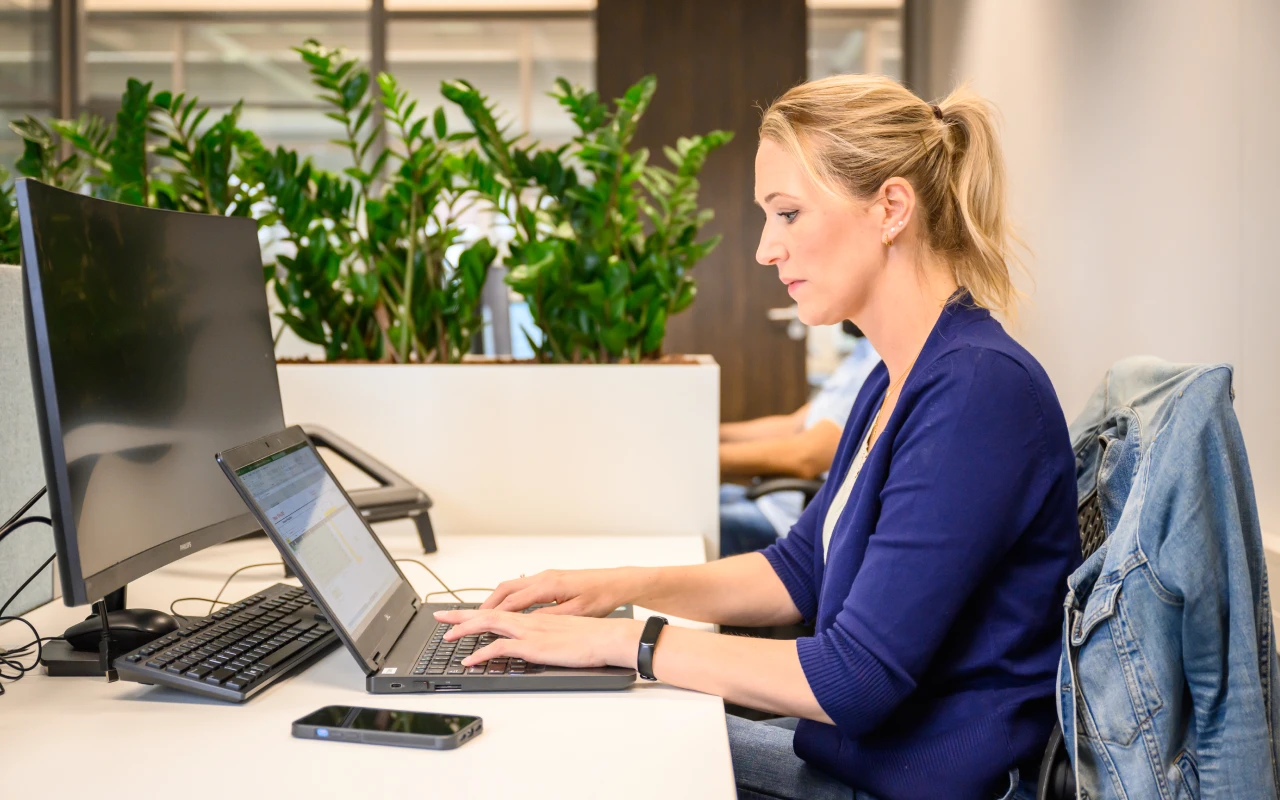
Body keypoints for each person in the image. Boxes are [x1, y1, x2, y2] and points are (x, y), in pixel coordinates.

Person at [432, 75, 1081, 800]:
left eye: (789, 213)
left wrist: (625, 643)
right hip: (865, 758)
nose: (766, 249)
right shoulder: (897, 377)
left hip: (912, 784)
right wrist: (610, 589)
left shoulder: (975, 393)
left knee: (580, 754)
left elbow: (854, 680)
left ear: (891, 208)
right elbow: (797, 571)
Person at [719, 328, 880, 557]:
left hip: (792, 522)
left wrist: (709, 458)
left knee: (699, 519)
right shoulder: (861, 354)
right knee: (711, 499)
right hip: (771, 499)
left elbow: (807, 456)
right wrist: (712, 434)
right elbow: (793, 425)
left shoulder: (879, 365)